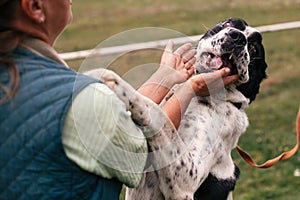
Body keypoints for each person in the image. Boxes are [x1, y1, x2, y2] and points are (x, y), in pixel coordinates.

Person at [0, 0, 239, 199]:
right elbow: (151, 147)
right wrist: (189, 89)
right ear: (34, 7)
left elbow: (119, 121)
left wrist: (164, 77)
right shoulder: (78, 98)